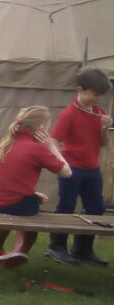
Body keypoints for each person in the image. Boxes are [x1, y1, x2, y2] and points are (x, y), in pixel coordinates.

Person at [0, 106, 71, 265]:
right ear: (41, 128)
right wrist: (52, 147)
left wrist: (33, 193)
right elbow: (67, 172)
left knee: (23, 203)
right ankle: (19, 252)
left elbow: (3, 177)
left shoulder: (3, 144)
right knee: (31, 215)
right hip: (17, 204)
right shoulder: (36, 149)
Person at [45, 67, 113, 266]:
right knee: (66, 206)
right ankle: (56, 246)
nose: (99, 98)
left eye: (101, 95)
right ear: (81, 89)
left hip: (92, 168)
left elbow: (102, 143)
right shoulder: (69, 114)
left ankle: (82, 248)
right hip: (71, 168)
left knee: (96, 207)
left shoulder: (99, 113)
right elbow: (54, 140)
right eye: (95, 94)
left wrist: (104, 128)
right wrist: (60, 163)